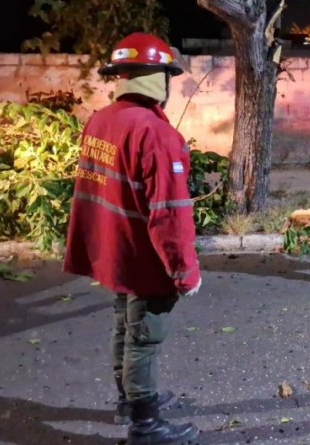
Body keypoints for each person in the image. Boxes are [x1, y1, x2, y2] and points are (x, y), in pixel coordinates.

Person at [63, 33, 201, 445]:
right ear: (160, 78)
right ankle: (145, 425)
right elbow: (170, 214)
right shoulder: (156, 134)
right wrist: (185, 272)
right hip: (144, 255)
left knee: (125, 324)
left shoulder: (101, 120)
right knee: (145, 334)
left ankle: (130, 399)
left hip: (113, 249)